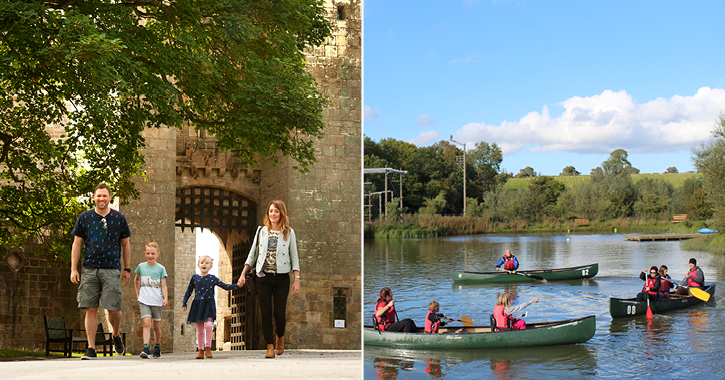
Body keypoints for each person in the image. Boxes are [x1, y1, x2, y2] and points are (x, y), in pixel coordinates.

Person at [69, 183, 131, 360]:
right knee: (90, 308)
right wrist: (74, 269)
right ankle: (91, 348)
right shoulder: (84, 217)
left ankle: (115, 335)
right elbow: (77, 244)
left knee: (113, 309)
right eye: (99, 196)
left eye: (105, 196)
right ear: (94, 198)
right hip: (89, 268)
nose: (101, 199)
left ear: (110, 197)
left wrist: (127, 268)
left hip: (111, 269)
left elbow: (126, 244)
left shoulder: (119, 218)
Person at [237, 200, 300, 359]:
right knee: (265, 312)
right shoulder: (261, 231)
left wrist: (297, 279)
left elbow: (294, 256)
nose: (273, 214)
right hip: (262, 277)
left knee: (279, 313)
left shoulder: (289, 233)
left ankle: (280, 336)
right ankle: (269, 346)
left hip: (281, 278)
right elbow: (252, 254)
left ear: (281, 214)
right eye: (271, 211)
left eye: (276, 211)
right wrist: (243, 274)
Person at [183, 256, 239, 359]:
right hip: (198, 305)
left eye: (207, 263)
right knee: (199, 329)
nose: (204, 264)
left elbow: (225, 286)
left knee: (209, 325)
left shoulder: (212, 278)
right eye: (202, 262)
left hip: (208, 305)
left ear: (211, 266)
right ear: (198, 265)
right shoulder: (195, 278)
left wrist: (237, 285)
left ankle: (208, 348)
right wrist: (184, 303)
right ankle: (200, 350)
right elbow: (189, 291)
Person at [134, 242, 168, 359]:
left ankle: (157, 347)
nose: (150, 255)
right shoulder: (141, 267)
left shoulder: (161, 269)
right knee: (146, 322)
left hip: (157, 300)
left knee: (156, 326)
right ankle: (146, 348)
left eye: (152, 253)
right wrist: (138, 293)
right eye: (148, 253)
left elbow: (163, 285)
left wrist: (165, 297)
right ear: (144, 254)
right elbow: (136, 280)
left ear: (157, 254)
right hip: (144, 299)